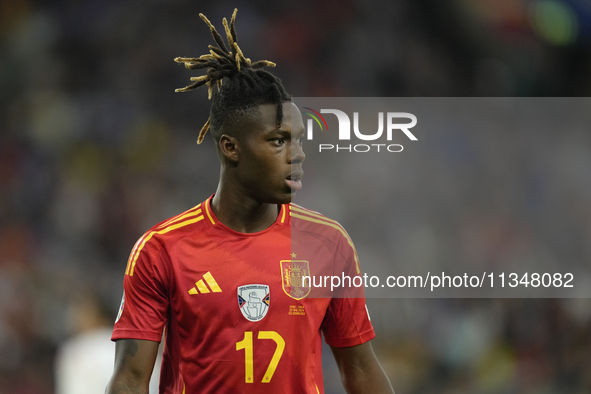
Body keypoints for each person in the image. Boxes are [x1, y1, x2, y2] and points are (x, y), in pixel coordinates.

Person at [106, 9, 394, 394]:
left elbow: (360, 370)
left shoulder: (328, 244)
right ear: (231, 148)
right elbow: (129, 380)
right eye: (278, 141)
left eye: (299, 140)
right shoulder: (162, 250)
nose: (297, 154)